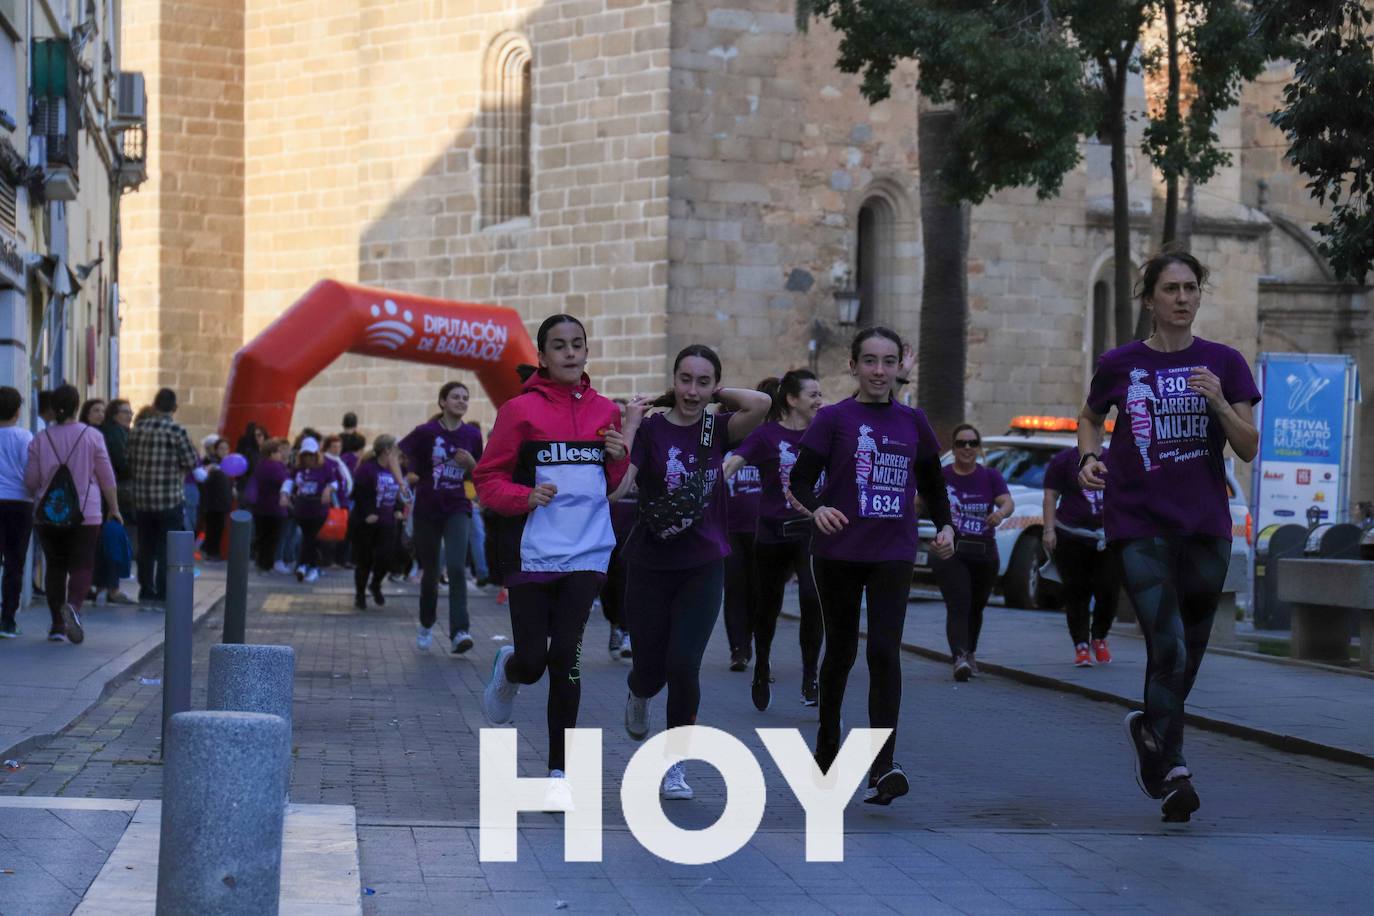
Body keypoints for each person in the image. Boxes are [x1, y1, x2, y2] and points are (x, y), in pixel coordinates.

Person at [1078, 250, 1259, 823]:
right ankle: (1173, 766)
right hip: (1139, 521)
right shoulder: (1121, 363)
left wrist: (1215, 402)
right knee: (1169, 644)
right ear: (1150, 299)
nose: (1181, 298)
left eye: (1190, 288)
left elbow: (1248, 444)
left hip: (1206, 524)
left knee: (1191, 653)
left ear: (1198, 297)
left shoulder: (1225, 363)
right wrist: (1089, 457)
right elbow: (1089, 416)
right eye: (1170, 289)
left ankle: (1150, 731)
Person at [788, 327, 955, 806]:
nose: (879, 371)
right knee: (840, 651)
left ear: (900, 365)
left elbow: (934, 485)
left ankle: (883, 766)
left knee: (884, 652)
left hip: (892, 552)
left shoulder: (913, 422)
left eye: (887, 362)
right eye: (869, 361)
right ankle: (826, 748)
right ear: (854, 366)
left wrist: (945, 527)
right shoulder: (834, 419)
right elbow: (800, 480)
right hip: (838, 552)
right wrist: (816, 508)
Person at [474, 314, 632, 800]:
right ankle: (510, 668)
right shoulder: (519, 411)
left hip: (588, 551)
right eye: (558, 346)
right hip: (531, 553)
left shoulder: (607, 410)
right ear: (541, 357)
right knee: (534, 660)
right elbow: (487, 480)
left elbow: (611, 482)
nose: (569, 353)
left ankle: (560, 775)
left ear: (587, 352)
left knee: (566, 656)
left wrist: (618, 454)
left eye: (577, 344)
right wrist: (523, 498)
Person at [618, 345, 770, 801]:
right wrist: (631, 423)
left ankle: (674, 763)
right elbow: (621, 485)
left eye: (703, 382)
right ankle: (639, 692)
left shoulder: (717, 427)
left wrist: (714, 395)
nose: (692, 390)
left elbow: (761, 403)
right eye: (684, 379)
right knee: (650, 669)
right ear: (673, 379)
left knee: (684, 664)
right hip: (649, 563)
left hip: (702, 564)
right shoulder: (650, 430)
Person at [725, 369, 826, 708]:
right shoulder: (767, 435)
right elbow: (733, 463)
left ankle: (810, 675)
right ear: (793, 399)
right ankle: (762, 663)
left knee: (813, 598)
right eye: (812, 395)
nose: (819, 400)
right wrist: (703, 487)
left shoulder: (824, 433)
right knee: (768, 607)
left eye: (820, 394)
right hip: (770, 533)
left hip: (809, 531)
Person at [24, 384, 120, 644]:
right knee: (82, 564)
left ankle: (57, 626)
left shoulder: (40, 438)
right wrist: (114, 508)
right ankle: (74, 608)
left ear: (53, 408)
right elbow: (106, 476)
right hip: (86, 513)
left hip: (48, 513)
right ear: (78, 406)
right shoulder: (92, 436)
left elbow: (31, 481)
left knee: (55, 567)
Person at [399, 382, 483, 653]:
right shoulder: (426, 432)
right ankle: (426, 622)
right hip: (427, 509)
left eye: (465, 398)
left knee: (457, 567)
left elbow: (481, 473)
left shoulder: (472, 435)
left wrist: (471, 464)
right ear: (442, 402)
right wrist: (404, 480)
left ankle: (460, 631)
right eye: (456, 397)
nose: (461, 401)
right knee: (431, 573)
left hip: (458, 506)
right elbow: (396, 453)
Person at [936, 423, 1013, 681]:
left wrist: (1000, 513)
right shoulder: (943, 475)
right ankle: (959, 657)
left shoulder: (990, 476)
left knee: (976, 606)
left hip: (983, 552)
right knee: (958, 602)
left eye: (972, 443)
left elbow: (1007, 502)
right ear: (954, 448)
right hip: (952, 550)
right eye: (961, 443)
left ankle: (970, 652)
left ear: (978, 448)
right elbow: (917, 502)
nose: (967, 448)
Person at [1043, 445, 1117, 666]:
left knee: (1109, 590)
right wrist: (1049, 530)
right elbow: (1050, 495)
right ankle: (1081, 645)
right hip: (1072, 534)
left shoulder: (1114, 458)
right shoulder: (1064, 460)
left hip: (1108, 536)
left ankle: (1100, 637)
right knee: (1076, 592)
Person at [127, 388, 198, 606]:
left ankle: (146, 589)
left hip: (142, 499)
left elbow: (127, 458)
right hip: (169, 499)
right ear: (174, 408)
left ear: (154, 405)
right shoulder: (176, 430)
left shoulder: (137, 429)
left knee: (145, 546)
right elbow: (191, 461)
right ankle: (163, 592)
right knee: (168, 547)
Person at [720, 411, 762, 677]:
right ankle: (739, 649)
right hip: (730, 530)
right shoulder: (723, 450)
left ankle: (758, 646)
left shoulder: (763, 446)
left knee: (758, 592)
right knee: (735, 590)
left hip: (762, 531)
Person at [349, 434, 406, 609]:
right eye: (395, 449)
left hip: (387, 522)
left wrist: (397, 509)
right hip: (366, 523)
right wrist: (368, 512)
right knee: (364, 560)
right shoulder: (367, 469)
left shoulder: (395, 469)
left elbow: (397, 492)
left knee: (386, 557)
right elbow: (358, 493)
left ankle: (375, 584)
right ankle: (360, 595)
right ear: (386, 450)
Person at [0, 387, 33, 637]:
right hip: (19, 503)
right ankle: (8, 620)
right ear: (18, 410)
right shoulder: (25, 437)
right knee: (14, 563)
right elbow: (30, 472)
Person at [281, 436, 335, 582]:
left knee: (311, 537)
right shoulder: (298, 468)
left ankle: (307, 566)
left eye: (311, 455)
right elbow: (289, 481)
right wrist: (284, 495)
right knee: (308, 537)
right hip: (302, 508)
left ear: (316, 454)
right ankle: (309, 566)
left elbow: (334, 482)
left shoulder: (325, 467)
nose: (308, 458)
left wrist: (328, 490)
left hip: (318, 508)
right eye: (305, 455)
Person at [250, 438, 291, 574]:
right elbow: (285, 481)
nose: (281, 455)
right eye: (278, 452)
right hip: (274, 507)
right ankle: (266, 565)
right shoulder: (275, 466)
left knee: (262, 537)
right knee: (271, 538)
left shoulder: (260, 465)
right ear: (271, 453)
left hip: (260, 507)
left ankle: (260, 563)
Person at [199, 437, 234, 561]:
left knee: (219, 528)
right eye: (221, 448)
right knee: (212, 528)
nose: (224, 451)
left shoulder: (229, 463)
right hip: (213, 500)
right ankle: (210, 552)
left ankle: (213, 552)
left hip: (224, 500)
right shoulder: (211, 463)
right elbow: (204, 478)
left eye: (226, 448)